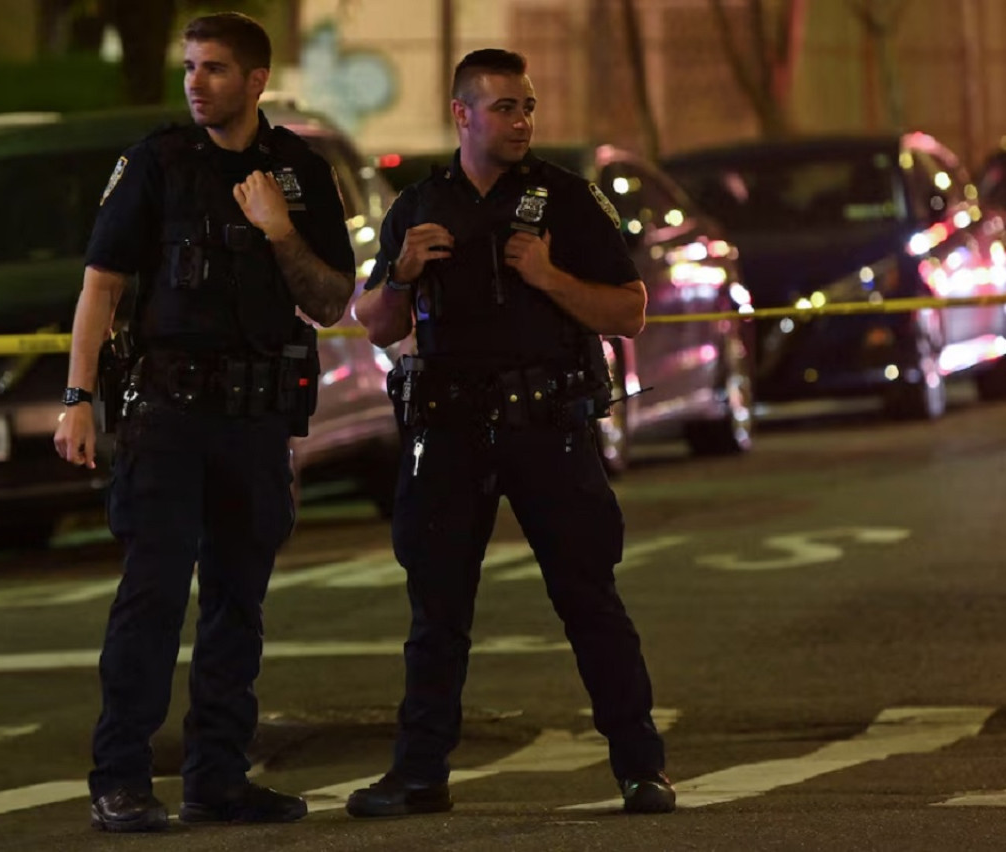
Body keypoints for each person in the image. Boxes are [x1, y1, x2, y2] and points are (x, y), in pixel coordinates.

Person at [347, 48, 675, 818]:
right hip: (450, 427)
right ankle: (419, 773)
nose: (522, 120)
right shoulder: (421, 203)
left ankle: (641, 767)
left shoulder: (566, 200)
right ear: (462, 114)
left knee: (589, 599)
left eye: (527, 106)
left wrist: (551, 278)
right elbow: (374, 325)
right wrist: (399, 273)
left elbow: (629, 312)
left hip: (546, 425)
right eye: (504, 107)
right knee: (437, 611)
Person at [53, 12, 355, 833]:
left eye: (215, 68)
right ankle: (119, 778)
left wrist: (280, 231)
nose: (196, 81)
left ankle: (217, 778)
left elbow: (330, 303)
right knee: (150, 598)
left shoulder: (297, 171)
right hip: (170, 414)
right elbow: (101, 287)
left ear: (256, 81)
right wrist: (79, 398)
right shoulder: (158, 163)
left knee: (236, 603)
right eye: (190, 66)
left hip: (254, 419)